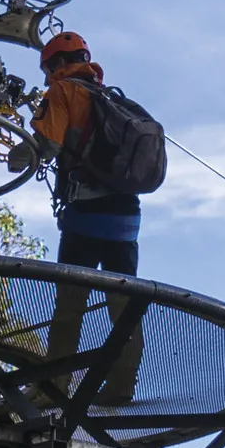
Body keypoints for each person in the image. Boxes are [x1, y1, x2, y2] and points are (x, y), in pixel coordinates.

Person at [27, 28, 144, 393]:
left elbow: (47, 145)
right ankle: (122, 385)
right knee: (122, 303)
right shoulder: (110, 97)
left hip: (86, 215)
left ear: (57, 64)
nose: (47, 78)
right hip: (127, 215)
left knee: (70, 303)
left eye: (48, 70)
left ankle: (55, 385)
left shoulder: (62, 91)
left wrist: (20, 153)